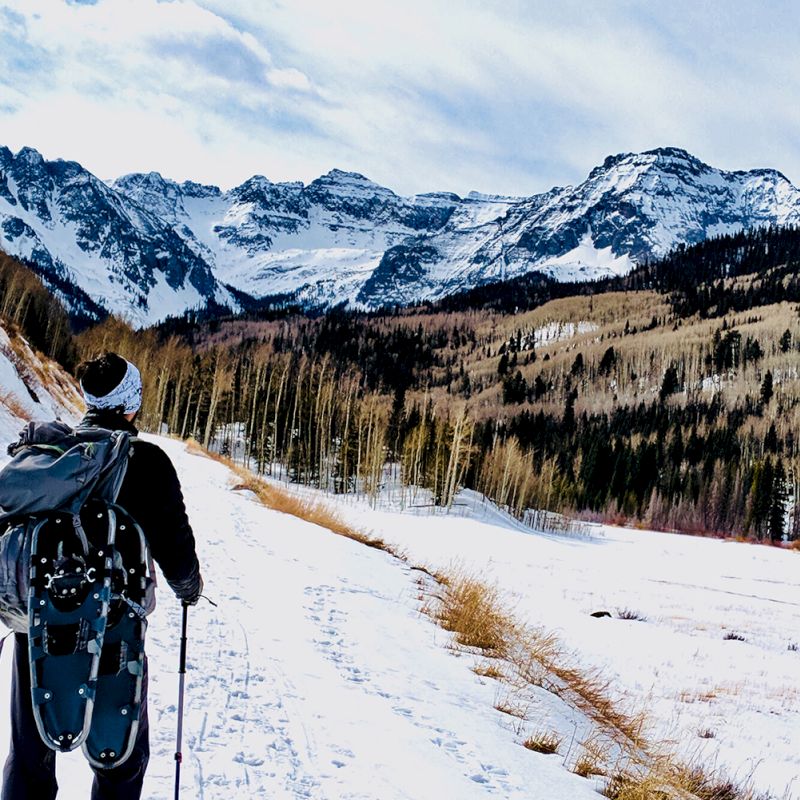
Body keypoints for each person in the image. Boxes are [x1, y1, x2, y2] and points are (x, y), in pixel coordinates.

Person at [2, 351, 203, 800]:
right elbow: (178, 553)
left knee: (29, 757)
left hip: (37, 626)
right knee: (121, 760)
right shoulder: (146, 462)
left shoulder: (56, 457)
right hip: (115, 629)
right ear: (131, 403)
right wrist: (190, 588)